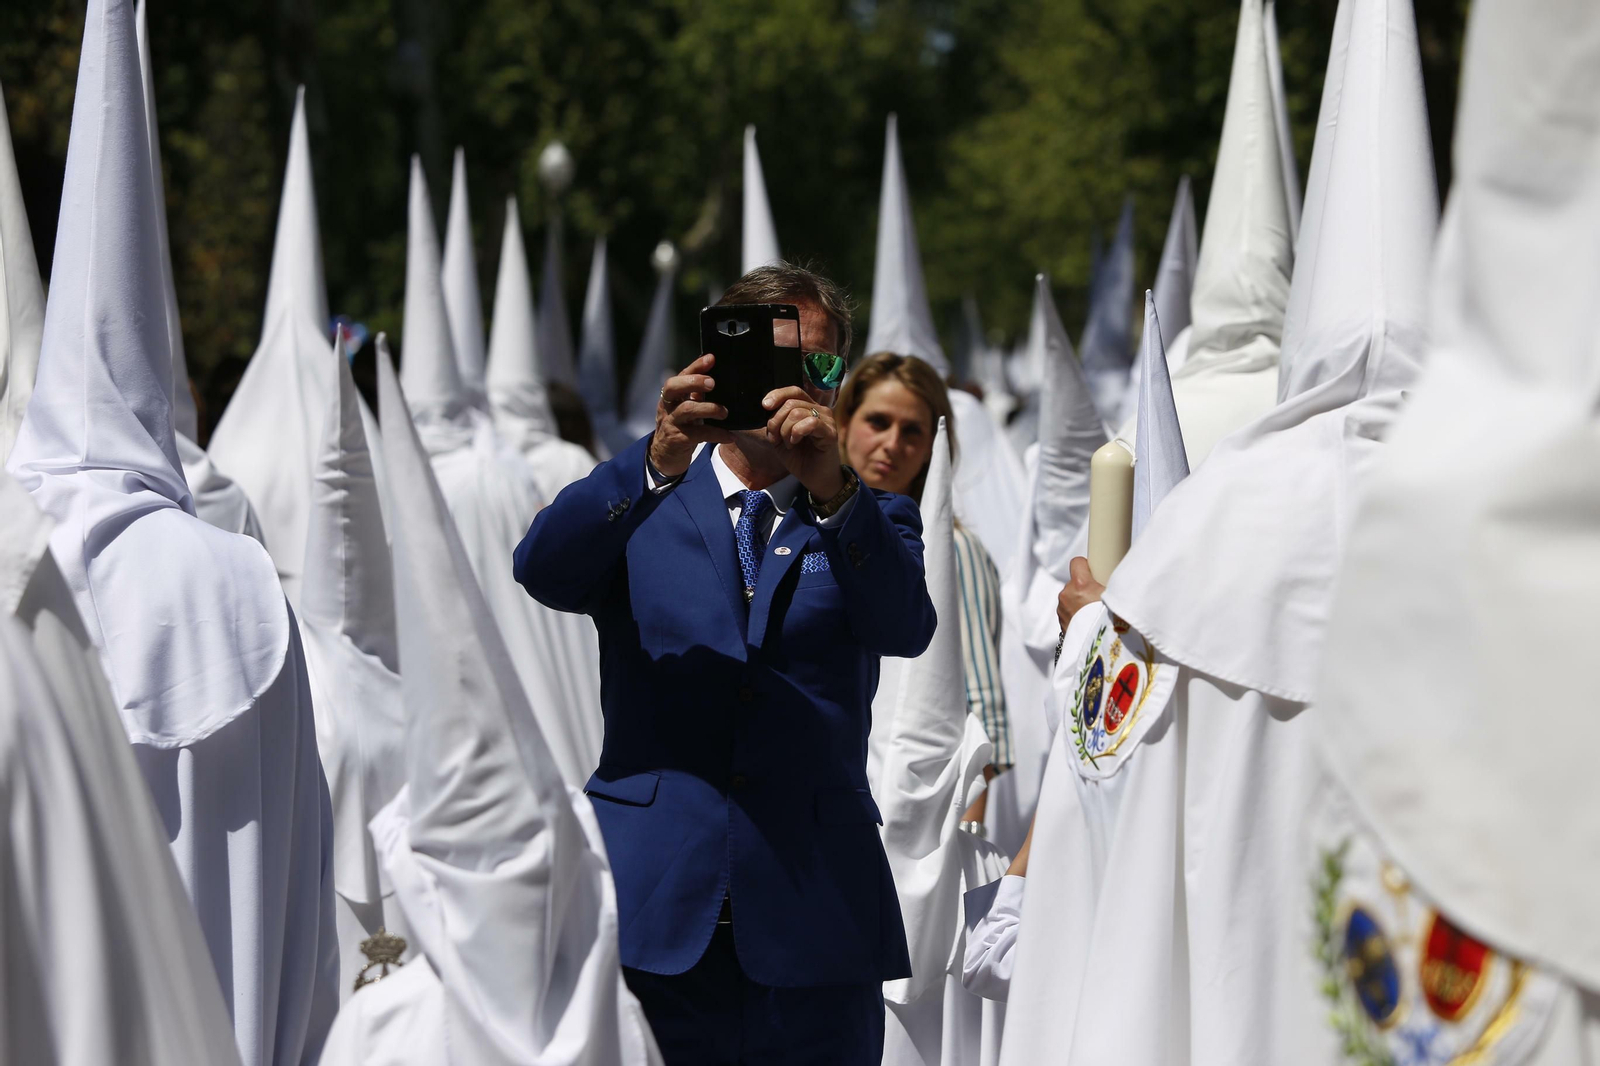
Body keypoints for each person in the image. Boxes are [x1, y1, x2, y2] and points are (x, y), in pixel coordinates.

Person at [514, 262, 937, 1064]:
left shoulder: (870, 515)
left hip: (816, 916)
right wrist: (659, 453)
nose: (794, 389)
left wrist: (832, 490)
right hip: (657, 907)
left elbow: (904, 626)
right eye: (773, 363)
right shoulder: (645, 499)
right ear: (718, 364)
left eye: (818, 367)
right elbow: (543, 570)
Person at [835, 352, 1014, 818]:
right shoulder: (799, 534)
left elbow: (980, 707)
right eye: (878, 421)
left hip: (911, 815)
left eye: (912, 430)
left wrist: (961, 846)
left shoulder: (953, 550)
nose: (892, 443)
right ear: (843, 424)